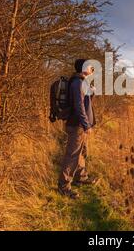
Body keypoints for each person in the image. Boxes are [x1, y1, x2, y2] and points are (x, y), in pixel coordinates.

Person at [58, 59, 98, 199]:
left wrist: (91, 91)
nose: (93, 69)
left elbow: (85, 103)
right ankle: (64, 186)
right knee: (72, 155)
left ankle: (81, 176)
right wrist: (86, 125)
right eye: (91, 66)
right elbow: (79, 106)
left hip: (80, 125)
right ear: (84, 68)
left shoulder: (82, 82)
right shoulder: (78, 83)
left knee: (81, 152)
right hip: (77, 125)